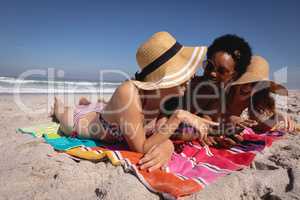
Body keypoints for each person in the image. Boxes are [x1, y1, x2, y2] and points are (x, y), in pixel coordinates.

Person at [52, 31, 218, 171]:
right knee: (63, 114)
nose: (192, 75)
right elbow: (140, 148)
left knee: (103, 106)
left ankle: (88, 102)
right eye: (184, 71)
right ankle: (58, 104)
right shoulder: (128, 92)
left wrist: (168, 144)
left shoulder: (167, 96)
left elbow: (163, 132)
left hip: (111, 113)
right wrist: (179, 117)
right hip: (80, 122)